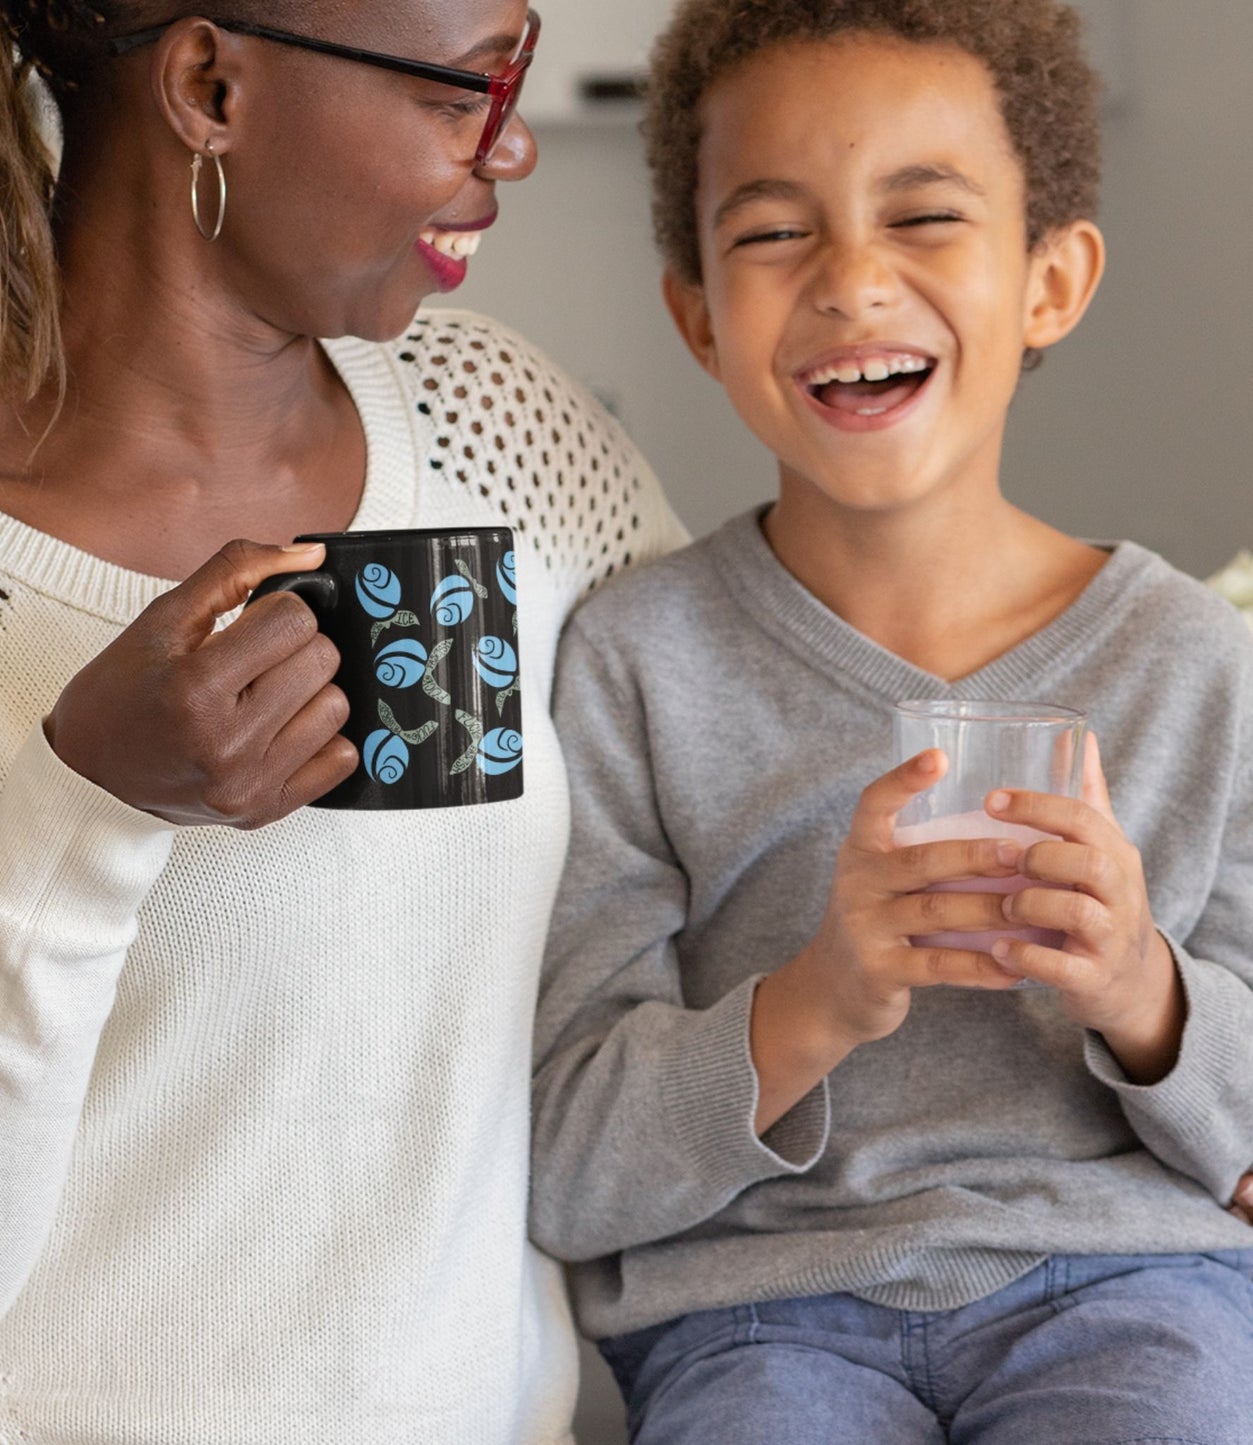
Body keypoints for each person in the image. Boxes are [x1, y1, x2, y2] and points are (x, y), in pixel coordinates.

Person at [0, 1, 685, 1441]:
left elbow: (727, 820)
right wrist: (83, 808)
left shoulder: (500, 435)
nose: (510, 141)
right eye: (467, 86)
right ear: (211, 86)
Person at [529, 0, 1253, 1439]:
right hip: (753, 1317)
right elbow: (565, 1161)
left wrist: (1138, 986)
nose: (852, 282)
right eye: (770, 232)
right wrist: (815, 1001)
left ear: (1050, 281)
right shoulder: (633, 663)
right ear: (696, 316)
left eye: (922, 216)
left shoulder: (1193, 663)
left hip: (1138, 1288)